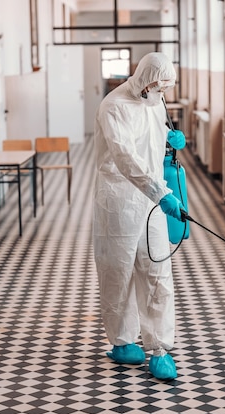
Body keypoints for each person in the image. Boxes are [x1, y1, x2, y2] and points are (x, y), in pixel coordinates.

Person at [92, 52, 187, 381]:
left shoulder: (156, 101)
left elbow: (151, 143)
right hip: (118, 200)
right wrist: (160, 194)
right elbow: (125, 157)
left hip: (154, 199)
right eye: (157, 86)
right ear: (144, 79)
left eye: (165, 89)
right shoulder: (113, 106)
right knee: (117, 271)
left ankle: (160, 347)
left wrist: (172, 142)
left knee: (158, 270)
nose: (160, 93)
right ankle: (121, 340)